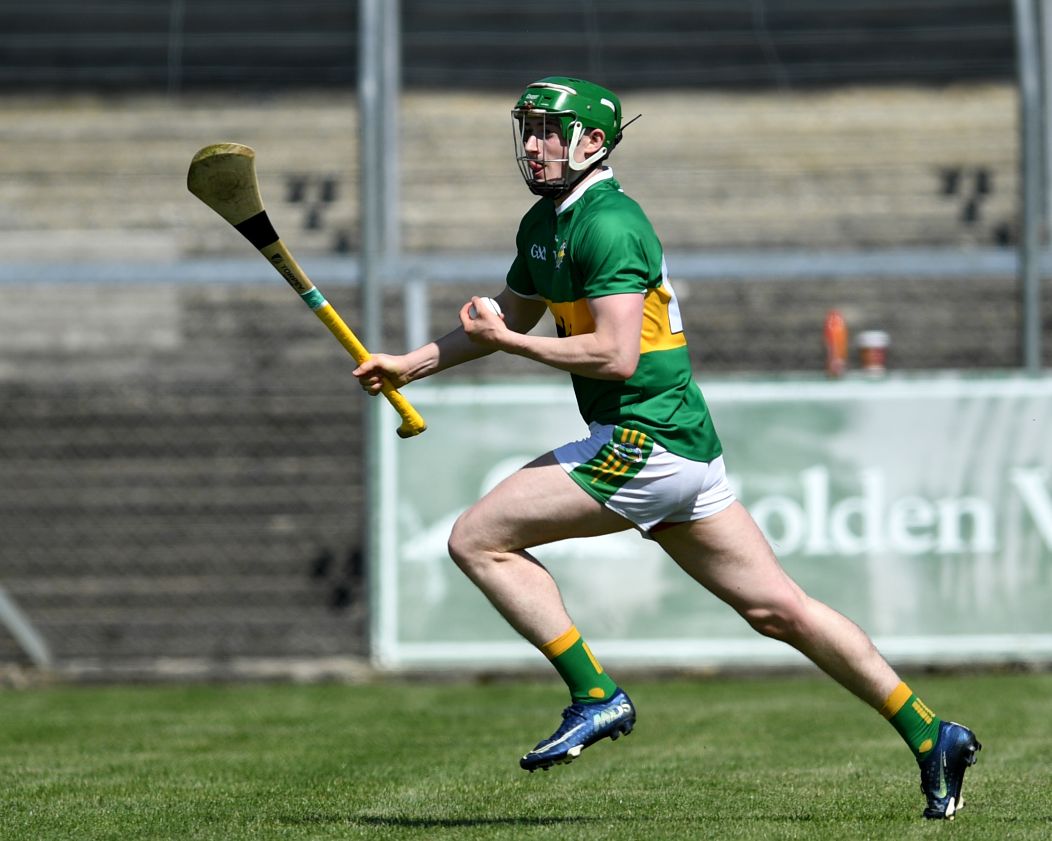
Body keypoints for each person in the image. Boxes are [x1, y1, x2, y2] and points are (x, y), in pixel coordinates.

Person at [353, 76, 980, 820]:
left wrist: (512, 344)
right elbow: (509, 317)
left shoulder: (612, 224)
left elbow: (614, 355)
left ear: (594, 142)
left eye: (550, 130)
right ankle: (931, 732)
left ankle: (595, 693)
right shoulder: (545, 223)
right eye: (528, 129)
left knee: (477, 539)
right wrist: (409, 364)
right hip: (679, 444)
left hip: (643, 440)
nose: (533, 144)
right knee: (780, 609)